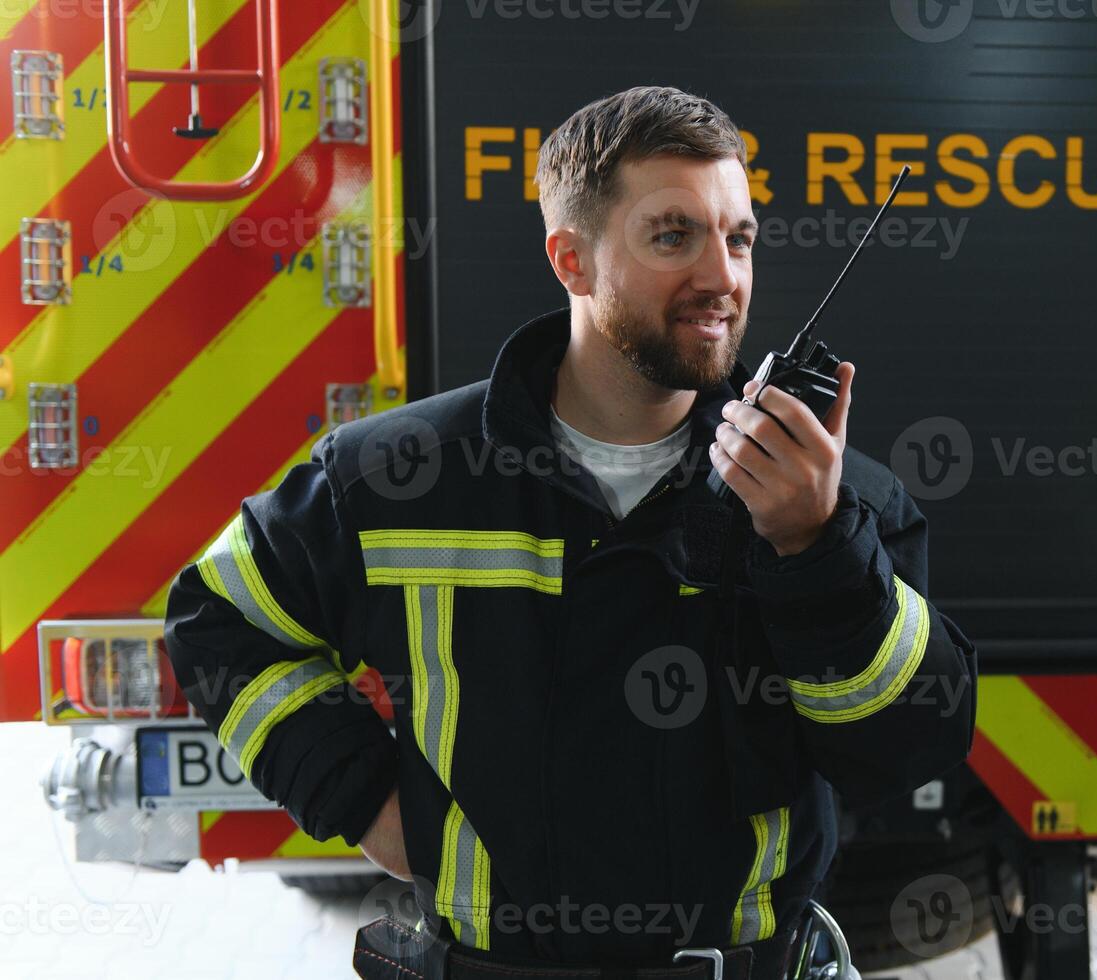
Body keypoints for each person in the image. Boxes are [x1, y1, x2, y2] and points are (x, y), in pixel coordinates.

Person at [163, 85, 977, 980]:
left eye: (737, 237)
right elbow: (219, 617)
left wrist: (814, 551)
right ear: (572, 259)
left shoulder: (831, 503)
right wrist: (361, 798)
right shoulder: (399, 478)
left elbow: (899, 753)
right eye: (675, 236)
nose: (722, 276)